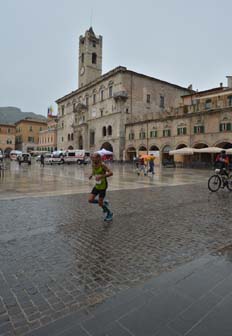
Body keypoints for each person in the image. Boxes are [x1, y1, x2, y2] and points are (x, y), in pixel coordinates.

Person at [88, 153, 113, 221]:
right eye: (92, 158)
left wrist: (101, 176)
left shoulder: (103, 165)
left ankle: (109, 213)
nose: (92, 159)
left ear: (98, 158)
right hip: (97, 185)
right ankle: (104, 202)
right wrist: (91, 175)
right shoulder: (93, 164)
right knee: (90, 200)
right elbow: (94, 171)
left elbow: (111, 173)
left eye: (94, 158)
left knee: (100, 204)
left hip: (103, 186)